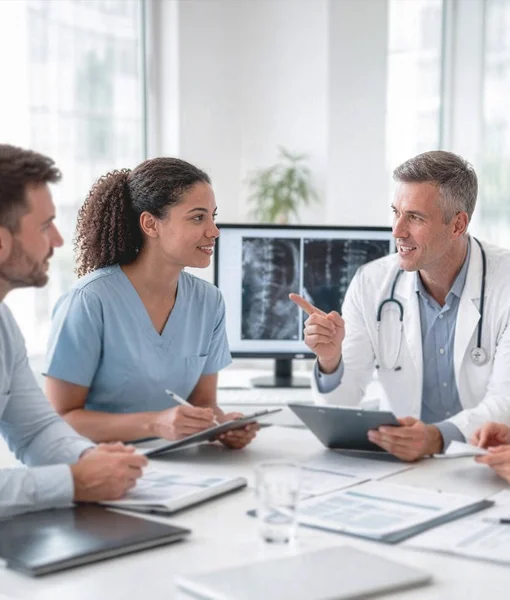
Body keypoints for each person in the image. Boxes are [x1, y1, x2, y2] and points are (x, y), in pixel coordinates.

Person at [291, 150, 510, 462]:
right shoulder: (371, 283)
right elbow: (342, 406)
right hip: (402, 463)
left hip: (484, 462)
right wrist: (330, 360)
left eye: (415, 217)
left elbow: (505, 401)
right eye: (396, 212)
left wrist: (436, 438)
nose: (397, 230)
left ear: (458, 225)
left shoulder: (505, 283)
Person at [44, 157, 257, 449]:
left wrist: (223, 426)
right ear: (150, 224)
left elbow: (204, 405)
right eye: (198, 217)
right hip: (101, 467)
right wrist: (155, 423)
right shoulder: (90, 300)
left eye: (212, 217)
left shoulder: (209, 302)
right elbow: (60, 419)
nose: (214, 231)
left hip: (182, 467)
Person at [0, 144, 147, 518]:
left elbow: (34, 431)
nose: (59, 241)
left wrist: (89, 458)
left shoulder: (3, 324)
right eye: (45, 225)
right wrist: (73, 481)